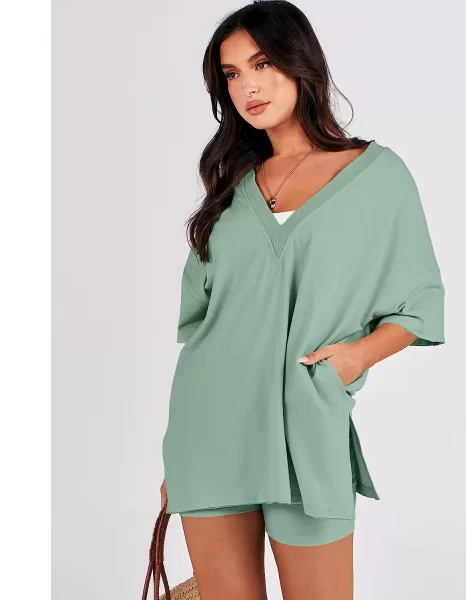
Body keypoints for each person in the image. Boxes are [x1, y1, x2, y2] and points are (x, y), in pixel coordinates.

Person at [160, 1, 445, 598]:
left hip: (306, 428)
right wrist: (178, 462)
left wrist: (354, 358)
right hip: (209, 431)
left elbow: (419, 303)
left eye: (261, 63)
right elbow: (203, 320)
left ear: (300, 61)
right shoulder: (231, 186)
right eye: (232, 74)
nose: (248, 86)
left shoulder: (377, 175)